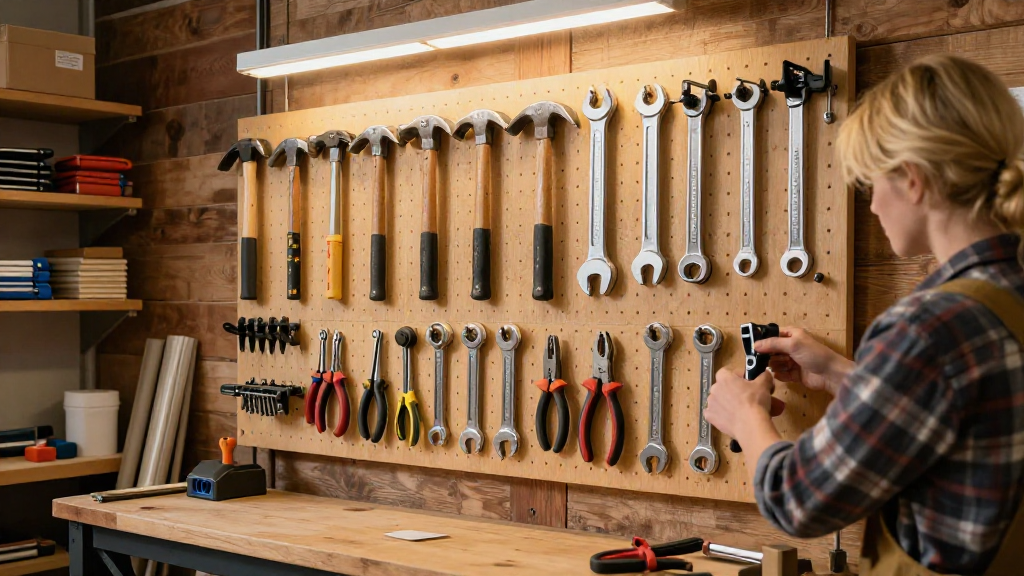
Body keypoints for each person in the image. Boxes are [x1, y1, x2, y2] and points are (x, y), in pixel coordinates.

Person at [704, 54, 1024, 576]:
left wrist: (745, 415)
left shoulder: (927, 329)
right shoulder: (1005, 301)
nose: (873, 206)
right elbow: (969, 419)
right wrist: (844, 375)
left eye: (873, 183)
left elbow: (799, 500)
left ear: (914, 180)